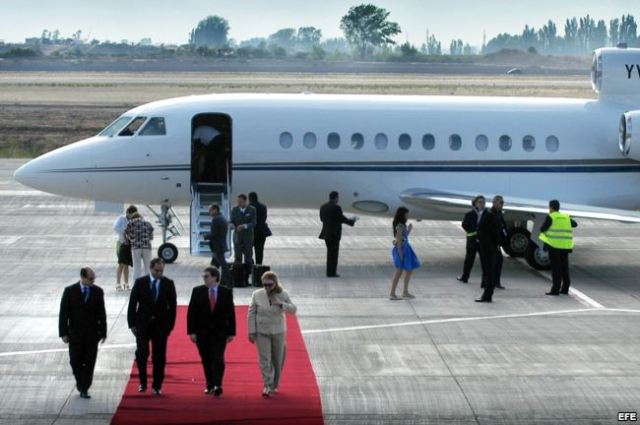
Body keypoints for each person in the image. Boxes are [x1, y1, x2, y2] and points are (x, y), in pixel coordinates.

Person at [127, 258, 177, 395]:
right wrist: (131, 324)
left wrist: (170, 326)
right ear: (150, 269)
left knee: (159, 357)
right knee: (142, 354)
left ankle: (157, 385)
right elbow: (132, 304)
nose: (159, 273)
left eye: (161, 271)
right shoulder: (140, 283)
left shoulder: (168, 284)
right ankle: (143, 383)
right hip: (143, 325)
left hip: (161, 327)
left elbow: (173, 307)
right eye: (156, 270)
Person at [59, 267, 106, 399]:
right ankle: (81, 382)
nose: (93, 281)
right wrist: (63, 332)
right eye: (91, 279)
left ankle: (84, 387)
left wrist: (103, 332)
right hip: (75, 334)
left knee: (90, 362)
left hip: (92, 334)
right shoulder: (69, 291)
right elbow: (64, 313)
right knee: (75, 361)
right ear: (83, 277)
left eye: (94, 279)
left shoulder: (98, 291)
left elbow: (101, 313)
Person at [187, 267, 236, 396]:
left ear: (215, 277)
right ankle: (209, 384)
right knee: (206, 359)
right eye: (203, 277)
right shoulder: (197, 291)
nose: (204, 279)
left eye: (206, 276)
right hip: (202, 332)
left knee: (218, 358)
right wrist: (191, 331)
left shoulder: (226, 292)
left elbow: (230, 313)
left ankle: (217, 384)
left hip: (220, 332)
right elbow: (191, 313)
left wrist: (232, 332)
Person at [248, 271, 297, 397]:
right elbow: (251, 313)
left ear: (275, 283)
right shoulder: (257, 294)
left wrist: (281, 304)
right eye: (265, 285)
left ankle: (275, 384)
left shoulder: (283, 294)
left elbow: (293, 309)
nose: (267, 287)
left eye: (270, 285)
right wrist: (251, 331)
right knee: (264, 359)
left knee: (277, 359)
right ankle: (267, 385)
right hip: (261, 331)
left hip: (278, 331)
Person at [540, 200, 577, 295]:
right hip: (565, 247)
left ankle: (555, 290)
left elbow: (542, 229)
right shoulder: (565, 217)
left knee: (556, 269)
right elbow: (575, 224)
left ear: (551, 207)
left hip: (554, 246)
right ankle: (565, 289)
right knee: (564, 268)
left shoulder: (551, 217)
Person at [319, 191, 357, 278]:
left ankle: (329, 272)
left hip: (326, 233)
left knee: (330, 253)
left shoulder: (323, 207)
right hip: (334, 234)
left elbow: (321, 219)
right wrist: (352, 221)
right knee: (334, 254)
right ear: (336, 197)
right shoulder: (336, 207)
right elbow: (341, 219)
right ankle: (332, 273)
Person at [389, 207, 420, 300]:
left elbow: (404, 237)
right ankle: (392, 294)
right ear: (402, 215)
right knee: (399, 271)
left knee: (409, 270)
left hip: (405, 248)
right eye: (406, 214)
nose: (407, 216)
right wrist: (401, 254)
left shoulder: (402, 225)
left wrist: (409, 229)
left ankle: (405, 292)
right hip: (402, 250)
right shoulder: (399, 226)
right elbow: (398, 240)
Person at [475, 202, 501, 303]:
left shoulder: (489, 215)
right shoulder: (489, 215)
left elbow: (492, 231)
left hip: (488, 248)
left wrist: (496, 244)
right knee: (488, 272)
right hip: (488, 247)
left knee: (488, 272)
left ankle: (487, 295)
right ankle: (487, 295)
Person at [457, 195, 486, 284]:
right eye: (480, 202)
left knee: (485, 261)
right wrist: (473, 231)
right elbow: (464, 225)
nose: (482, 204)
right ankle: (465, 277)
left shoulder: (487, 214)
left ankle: (485, 281)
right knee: (469, 260)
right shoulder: (469, 214)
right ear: (475, 203)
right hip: (472, 241)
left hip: (483, 241)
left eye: (483, 202)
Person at [230, 194, 257, 286]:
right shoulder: (234, 209)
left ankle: (247, 277)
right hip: (237, 236)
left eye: (240, 201)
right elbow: (232, 221)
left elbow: (253, 223)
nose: (239, 203)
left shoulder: (252, 209)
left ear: (245, 201)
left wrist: (244, 226)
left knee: (248, 257)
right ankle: (238, 278)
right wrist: (232, 225)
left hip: (248, 236)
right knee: (237, 257)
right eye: (238, 201)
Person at [205, 204, 232, 287]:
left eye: (210, 210)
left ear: (215, 210)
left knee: (223, 265)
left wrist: (206, 236)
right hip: (220, 244)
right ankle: (213, 281)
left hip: (218, 246)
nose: (209, 212)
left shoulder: (216, 219)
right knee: (214, 265)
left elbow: (214, 233)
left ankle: (229, 282)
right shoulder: (222, 218)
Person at [113, 205, 137, 291]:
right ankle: (118, 283)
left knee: (126, 264)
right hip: (122, 243)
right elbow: (115, 227)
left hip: (129, 244)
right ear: (127, 213)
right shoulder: (121, 218)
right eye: (131, 214)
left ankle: (126, 283)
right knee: (121, 264)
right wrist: (125, 232)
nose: (132, 216)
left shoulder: (134, 220)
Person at [125, 212, 154, 281]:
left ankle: (137, 285)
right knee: (147, 266)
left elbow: (126, 235)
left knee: (136, 267)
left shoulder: (130, 223)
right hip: (147, 247)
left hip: (136, 247)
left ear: (133, 218)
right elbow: (151, 237)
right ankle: (148, 284)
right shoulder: (147, 223)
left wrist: (132, 239)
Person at [490, 196, 508, 290]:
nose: (502, 205)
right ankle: (490, 283)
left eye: (503, 203)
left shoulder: (499, 213)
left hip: (497, 243)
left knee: (498, 263)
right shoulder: (490, 214)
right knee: (493, 263)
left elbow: (502, 227)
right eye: (501, 203)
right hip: (492, 244)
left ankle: (496, 282)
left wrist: (505, 238)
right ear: (495, 203)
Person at [249, 192, 270, 265]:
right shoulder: (263, 206)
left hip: (251, 233)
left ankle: (251, 264)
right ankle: (259, 266)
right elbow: (264, 218)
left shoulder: (249, 207)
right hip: (262, 232)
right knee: (259, 251)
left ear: (249, 198)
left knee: (247, 251)